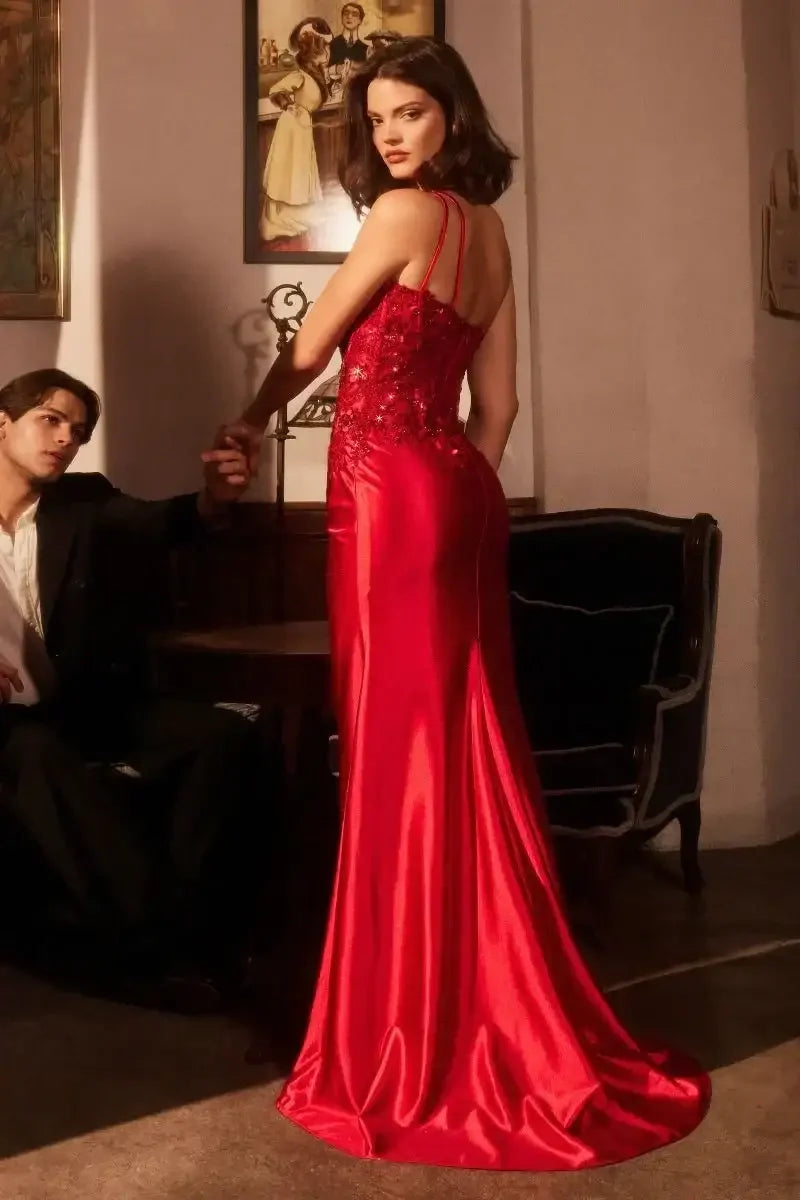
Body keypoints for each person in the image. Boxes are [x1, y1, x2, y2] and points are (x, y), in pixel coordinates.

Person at [226, 37, 710, 1171]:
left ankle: (405, 1032)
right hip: (452, 491)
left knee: (398, 749)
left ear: (453, 115)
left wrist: (246, 421)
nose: (390, 135)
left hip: (385, 494)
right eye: (375, 120)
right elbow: (499, 409)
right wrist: (452, 494)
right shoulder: (490, 235)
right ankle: (475, 1000)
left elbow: (312, 344)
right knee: (457, 738)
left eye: (409, 113)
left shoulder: (402, 216)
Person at [0, 369, 266, 1012]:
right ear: (1, 424)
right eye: (50, 420)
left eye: (77, 431)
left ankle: (205, 927)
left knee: (222, 736)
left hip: (84, 705)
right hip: (8, 725)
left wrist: (213, 502)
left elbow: (162, 522)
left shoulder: (84, 501)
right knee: (35, 754)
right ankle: (152, 945)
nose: (65, 440)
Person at [259, 19, 332, 244]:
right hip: (292, 126)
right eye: (324, 48)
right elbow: (275, 90)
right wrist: (287, 104)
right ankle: (277, 220)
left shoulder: (315, 75)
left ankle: (298, 215)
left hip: (303, 127)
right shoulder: (299, 75)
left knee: (300, 172)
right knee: (288, 171)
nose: (327, 53)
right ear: (314, 53)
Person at [329, 4, 368, 68]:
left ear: (360, 20)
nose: (349, 16)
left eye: (354, 14)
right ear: (342, 17)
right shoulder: (331, 45)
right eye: (346, 13)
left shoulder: (366, 50)